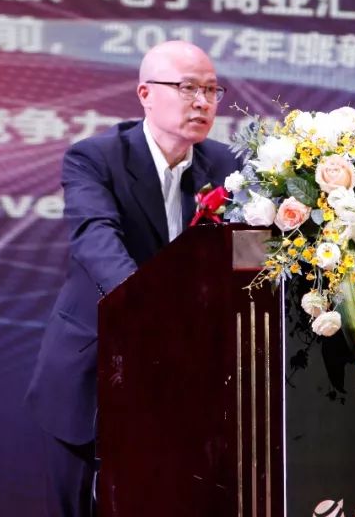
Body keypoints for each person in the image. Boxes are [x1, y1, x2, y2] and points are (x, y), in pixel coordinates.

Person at [25, 41, 243, 517]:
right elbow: (95, 240)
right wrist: (153, 311)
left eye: (211, 90)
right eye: (188, 88)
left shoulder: (228, 166)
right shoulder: (95, 158)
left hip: (187, 378)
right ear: (145, 94)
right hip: (95, 370)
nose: (203, 102)